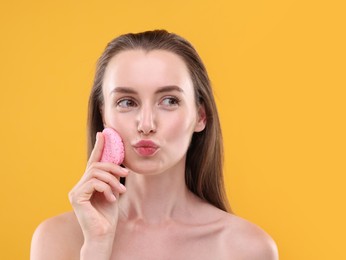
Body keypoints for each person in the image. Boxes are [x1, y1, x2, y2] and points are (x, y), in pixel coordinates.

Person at [31, 30, 278, 260]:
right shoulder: (57, 239)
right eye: (127, 102)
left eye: (169, 100)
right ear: (104, 115)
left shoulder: (246, 248)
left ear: (200, 116)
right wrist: (96, 247)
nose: (146, 124)